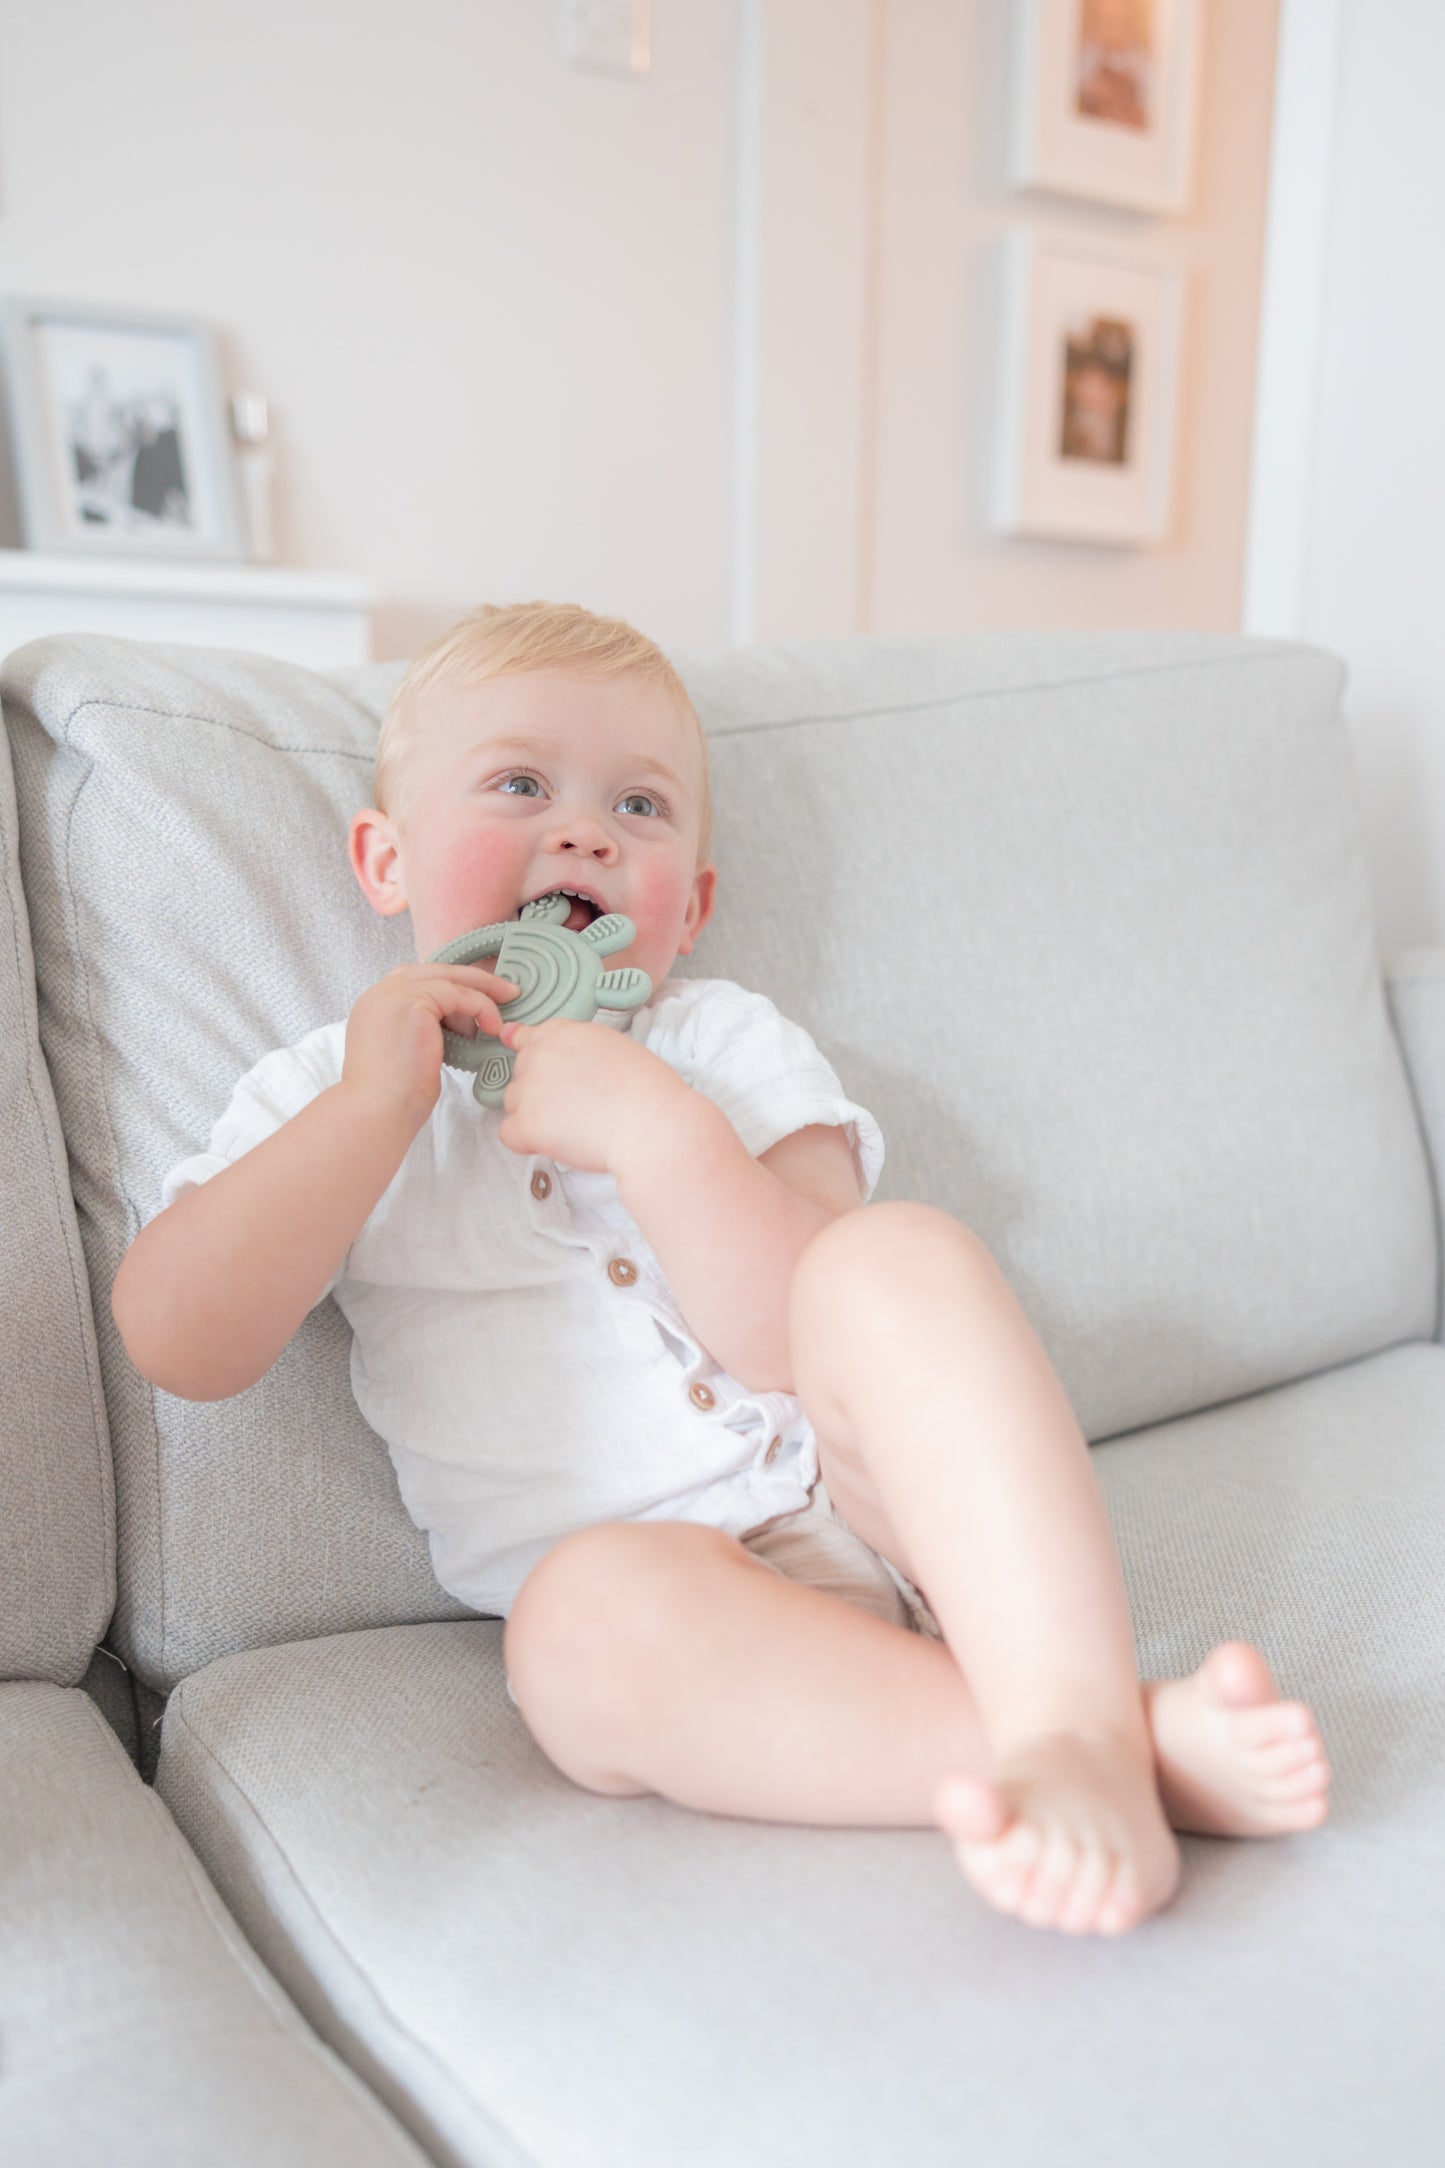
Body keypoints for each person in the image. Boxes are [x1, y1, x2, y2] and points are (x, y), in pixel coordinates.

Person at [111, 601, 1331, 1937]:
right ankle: (1110, 1752)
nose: (581, 830)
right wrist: (365, 1113)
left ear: (686, 907)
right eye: (519, 784)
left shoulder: (722, 1048)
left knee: (894, 1257)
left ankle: (1065, 1717)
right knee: (574, 1633)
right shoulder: (324, 1088)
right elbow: (181, 1338)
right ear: (384, 858)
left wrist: (657, 1128)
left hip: (884, 1519)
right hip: (668, 1601)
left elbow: (795, 1326)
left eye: (638, 806)